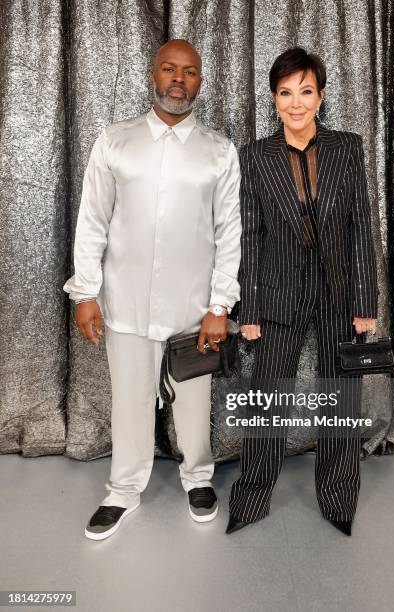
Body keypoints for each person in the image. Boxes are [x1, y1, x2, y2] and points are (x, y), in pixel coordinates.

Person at [63, 39, 242, 540]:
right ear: (153, 75)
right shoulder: (115, 141)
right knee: (131, 399)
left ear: (199, 83)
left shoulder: (219, 151)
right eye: (170, 69)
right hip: (125, 300)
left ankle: (198, 477)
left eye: (189, 72)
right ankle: (122, 490)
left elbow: (230, 232)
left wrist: (219, 305)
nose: (178, 80)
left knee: (192, 399)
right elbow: (93, 221)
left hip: (193, 309)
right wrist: (86, 293)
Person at [227, 47, 378, 537]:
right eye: (286, 93)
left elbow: (361, 228)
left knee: (341, 396)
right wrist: (247, 306)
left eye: (306, 92)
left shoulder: (348, 148)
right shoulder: (254, 156)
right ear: (274, 99)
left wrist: (365, 303)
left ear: (321, 96)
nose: (296, 103)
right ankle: (251, 498)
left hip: (339, 292)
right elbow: (249, 234)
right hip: (276, 293)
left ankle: (338, 499)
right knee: (267, 395)